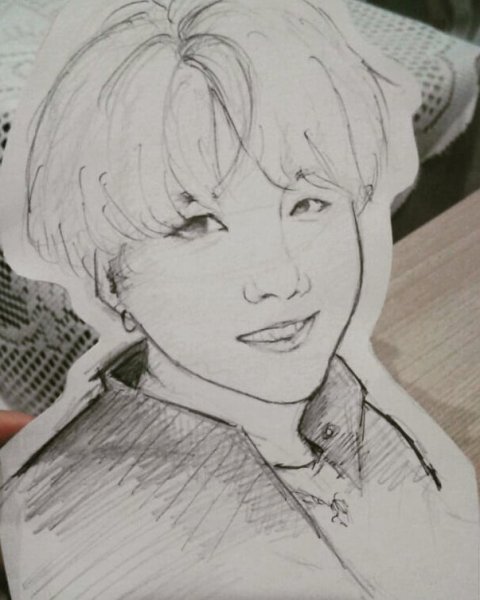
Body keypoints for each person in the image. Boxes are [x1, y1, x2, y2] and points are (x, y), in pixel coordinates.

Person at [0, 1, 477, 599]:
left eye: (307, 204)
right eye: (196, 224)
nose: (282, 278)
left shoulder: (350, 411)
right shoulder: (68, 526)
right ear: (108, 279)